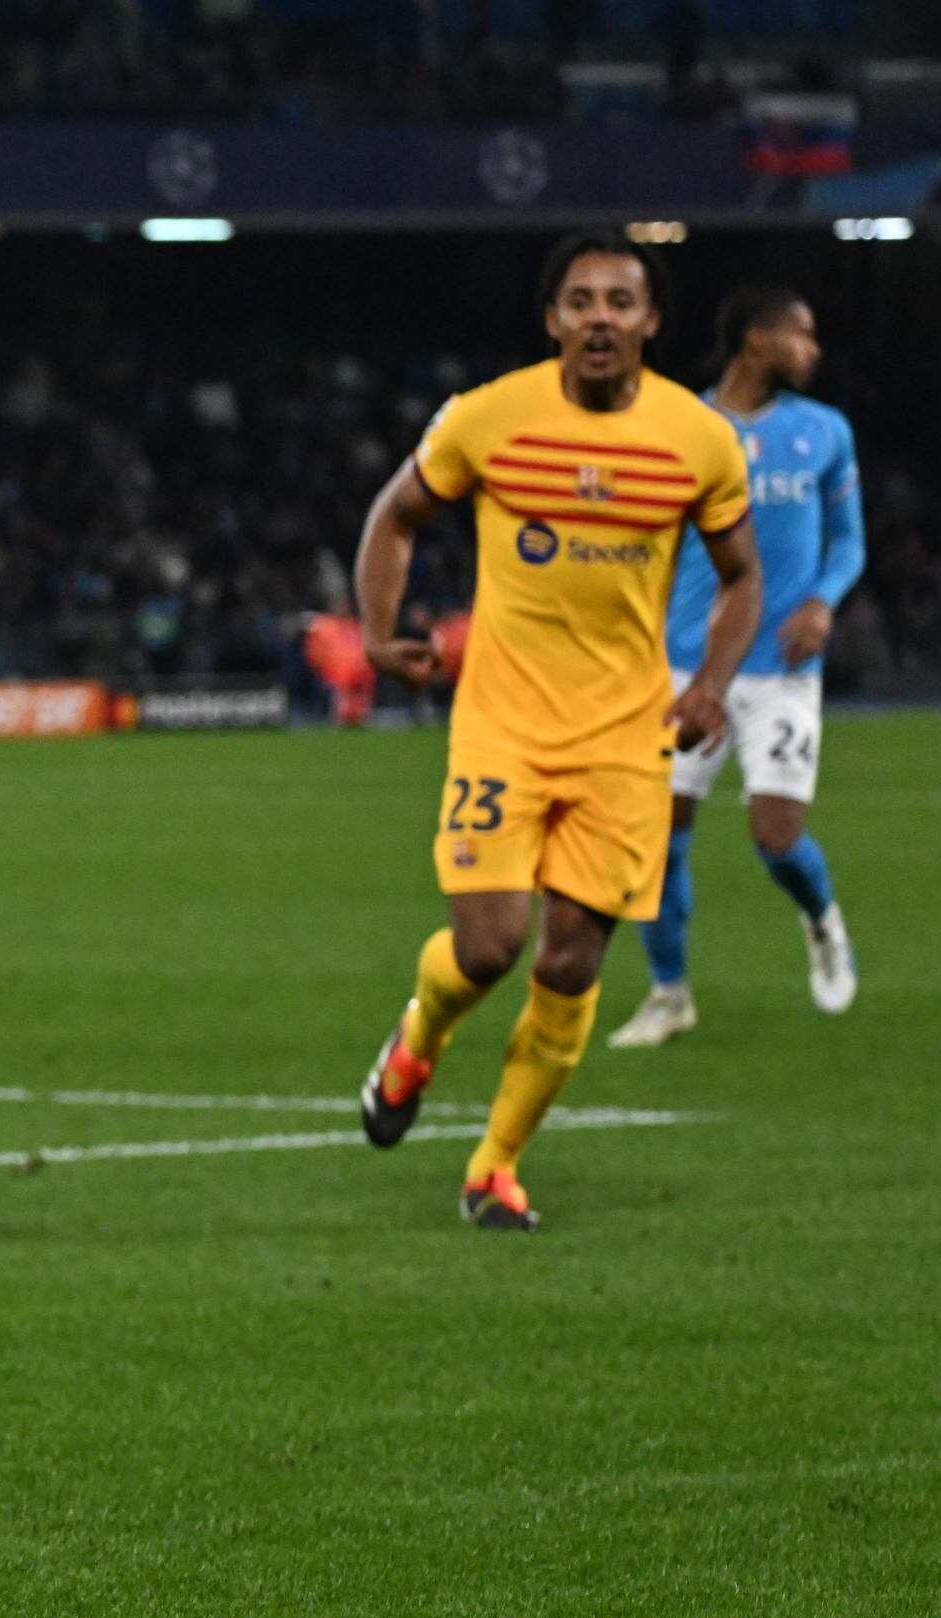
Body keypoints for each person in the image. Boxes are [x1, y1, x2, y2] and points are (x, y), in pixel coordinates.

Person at [353, 230, 761, 1231]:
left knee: (573, 961)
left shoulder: (700, 438)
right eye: (580, 301)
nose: (600, 318)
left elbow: (744, 574)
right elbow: (395, 515)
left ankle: (495, 1163)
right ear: (553, 321)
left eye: (620, 302)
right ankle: (419, 1035)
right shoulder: (490, 418)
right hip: (502, 725)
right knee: (489, 945)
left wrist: (711, 681)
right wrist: (375, 630)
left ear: (650, 322)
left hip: (626, 737)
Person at [610, 285, 864, 1046]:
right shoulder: (679, 426)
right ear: (757, 341)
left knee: (777, 835)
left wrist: (822, 600)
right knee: (660, 836)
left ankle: (822, 920)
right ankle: (668, 993)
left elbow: (848, 540)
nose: (813, 351)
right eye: (802, 336)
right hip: (685, 666)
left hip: (780, 670)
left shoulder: (824, 433)